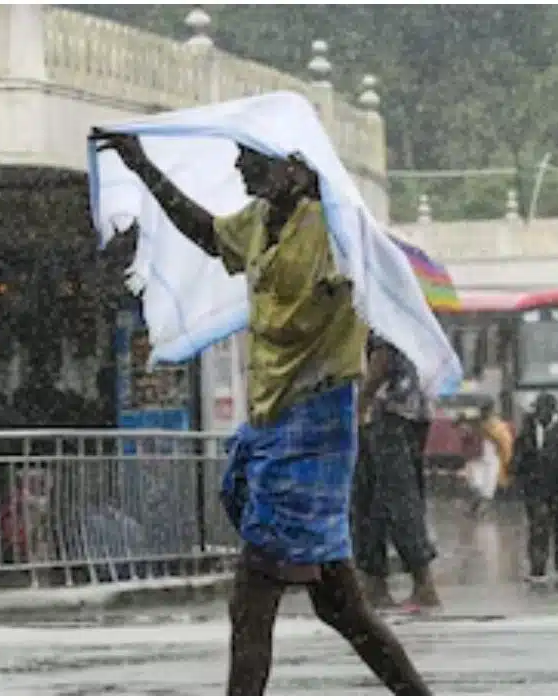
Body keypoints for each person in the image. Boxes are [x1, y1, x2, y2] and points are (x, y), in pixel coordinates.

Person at [97, 130, 430, 695]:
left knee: (252, 594)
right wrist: (143, 166)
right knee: (340, 606)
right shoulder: (257, 222)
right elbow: (207, 232)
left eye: (251, 158)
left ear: (297, 171)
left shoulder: (333, 229)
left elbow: (377, 286)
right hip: (271, 420)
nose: (239, 167)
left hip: (316, 423)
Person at [353, 334, 441, 611]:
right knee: (369, 501)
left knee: (396, 499)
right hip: (401, 413)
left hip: (389, 413)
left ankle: (422, 585)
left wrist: (362, 400)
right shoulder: (397, 303)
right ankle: (374, 585)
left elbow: (382, 358)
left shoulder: (378, 303)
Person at [510, 393, 558, 592]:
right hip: (536, 487)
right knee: (538, 525)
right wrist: (518, 477)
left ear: (552, 409)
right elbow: (519, 455)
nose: (539, 414)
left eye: (543, 410)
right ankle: (538, 569)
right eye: (537, 410)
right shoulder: (527, 429)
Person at [461, 400, 513, 517]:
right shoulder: (474, 423)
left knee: (486, 490)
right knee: (477, 487)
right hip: (477, 459)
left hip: (490, 460)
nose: (483, 413)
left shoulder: (496, 425)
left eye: (485, 410)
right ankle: (476, 511)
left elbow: (505, 444)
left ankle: (479, 512)